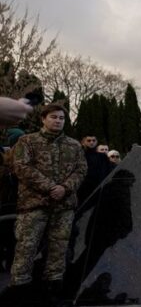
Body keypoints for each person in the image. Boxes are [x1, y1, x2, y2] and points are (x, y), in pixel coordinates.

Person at [6, 104, 87, 304]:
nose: (58, 121)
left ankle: (52, 290)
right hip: (34, 205)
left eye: (61, 118)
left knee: (58, 250)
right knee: (26, 248)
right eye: (53, 117)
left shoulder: (74, 145)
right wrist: (51, 187)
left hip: (64, 207)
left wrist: (65, 188)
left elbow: (81, 169)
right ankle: (19, 291)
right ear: (43, 119)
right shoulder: (28, 142)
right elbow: (21, 167)